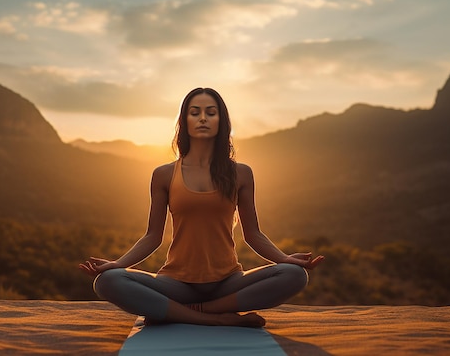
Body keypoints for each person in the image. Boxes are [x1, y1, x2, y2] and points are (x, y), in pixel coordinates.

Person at [79, 87, 324, 328]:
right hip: (176, 284)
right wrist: (117, 263)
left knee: (293, 275)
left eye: (211, 112)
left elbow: (253, 234)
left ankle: (192, 312)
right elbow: (152, 237)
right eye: (195, 112)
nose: (203, 118)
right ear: (184, 121)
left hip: (227, 282)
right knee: (108, 281)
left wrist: (284, 259)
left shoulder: (240, 173)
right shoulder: (164, 174)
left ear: (221, 121)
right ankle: (214, 318)